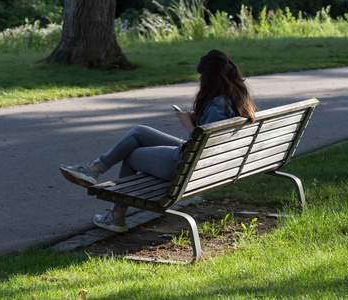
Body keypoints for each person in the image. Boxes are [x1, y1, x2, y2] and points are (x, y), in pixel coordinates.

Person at [60, 49, 255, 233]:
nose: (200, 80)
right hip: (204, 163)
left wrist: (189, 124)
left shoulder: (216, 105)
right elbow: (213, 136)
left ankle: (115, 214)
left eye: (202, 76)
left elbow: (203, 148)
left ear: (211, 78)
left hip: (186, 163)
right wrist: (198, 120)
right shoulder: (236, 98)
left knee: (131, 153)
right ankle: (93, 170)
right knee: (139, 132)